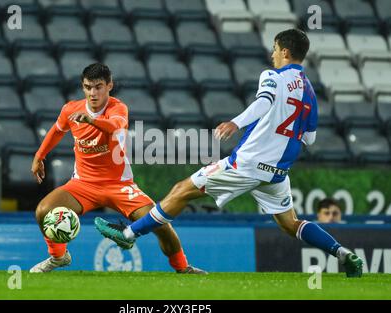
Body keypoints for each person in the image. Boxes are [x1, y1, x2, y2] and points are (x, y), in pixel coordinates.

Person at [95, 29, 363, 277]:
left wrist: (237, 122)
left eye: (274, 48)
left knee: (182, 190)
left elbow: (264, 102)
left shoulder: (273, 76)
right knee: (290, 223)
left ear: (284, 52)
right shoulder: (311, 92)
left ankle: (128, 234)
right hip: (278, 171)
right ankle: (343, 253)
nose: (272, 54)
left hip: (247, 163)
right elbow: (310, 137)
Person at [29, 62, 206, 274]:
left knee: (160, 223)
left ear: (109, 85)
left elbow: (115, 126)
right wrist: (40, 156)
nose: (93, 93)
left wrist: (91, 120)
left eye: (98, 86)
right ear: (82, 87)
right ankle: (59, 257)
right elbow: (57, 130)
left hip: (119, 185)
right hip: (83, 184)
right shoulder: (70, 109)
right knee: (43, 211)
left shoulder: (117, 108)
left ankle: (183, 268)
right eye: (88, 87)